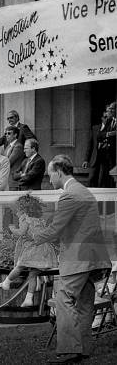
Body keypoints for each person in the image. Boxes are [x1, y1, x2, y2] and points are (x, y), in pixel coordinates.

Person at [33, 155, 112, 363]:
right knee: (85, 302)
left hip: (78, 259)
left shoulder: (69, 195)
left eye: (50, 175)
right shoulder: (83, 191)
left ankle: (69, 350)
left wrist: (32, 237)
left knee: (64, 298)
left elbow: (55, 229)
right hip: (91, 258)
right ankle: (83, 349)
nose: (49, 179)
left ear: (59, 172)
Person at [0, 195, 58, 307]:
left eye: (17, 211)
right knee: (32, 275)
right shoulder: (40, 220)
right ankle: (29, 298)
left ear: (24, 210)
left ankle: (7, 282)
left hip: (32, 249)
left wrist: (12, 229)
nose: (16, 213)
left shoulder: (25, 219)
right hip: (44, 249)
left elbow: (21, 232)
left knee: (20, 266)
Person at [96, 103, 116, 187]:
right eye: (109, 109)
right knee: (105, 176)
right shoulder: (108, 120)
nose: (109, 111)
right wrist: (109, 134)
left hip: (114, 153)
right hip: (106, 154)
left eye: (112, 109)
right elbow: (99, 135)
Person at [3, 126, 25, 191]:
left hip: (14, 180)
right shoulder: (8, 146)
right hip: (8, 179)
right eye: (6, 134)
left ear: (15, 135)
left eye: (9, 133)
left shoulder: (18, 146)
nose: (7, 135)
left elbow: (8, 162)